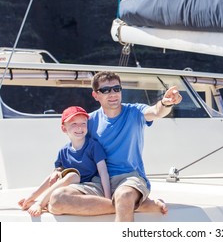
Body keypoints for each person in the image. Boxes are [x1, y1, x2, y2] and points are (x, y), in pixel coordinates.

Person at [48, 71, 182, 221]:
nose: (112, 94)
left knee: (123, 196)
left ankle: (126, 202)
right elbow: (75, 149)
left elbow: (156, 111)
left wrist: (166, 102)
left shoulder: (135, 112)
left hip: (129, 178)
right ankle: (139, 205)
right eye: (105, 90)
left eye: (116, 89)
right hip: (98, 181)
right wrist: (58, 169)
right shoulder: (89, 120)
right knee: (57, 199)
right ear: (96, 95)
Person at [18, 106, 111, 217]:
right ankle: (32, 199)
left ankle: (40, 204)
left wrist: (107, 199)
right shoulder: (63, 151)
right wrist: (55, 172)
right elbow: (55, 174)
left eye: (83, 123)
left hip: (90, 185)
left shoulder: (93, 146)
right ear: (64, 129)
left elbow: (103, 172)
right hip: (72, 187)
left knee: (72, 175)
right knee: (56, 176)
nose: (80, 128)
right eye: (74, 124)